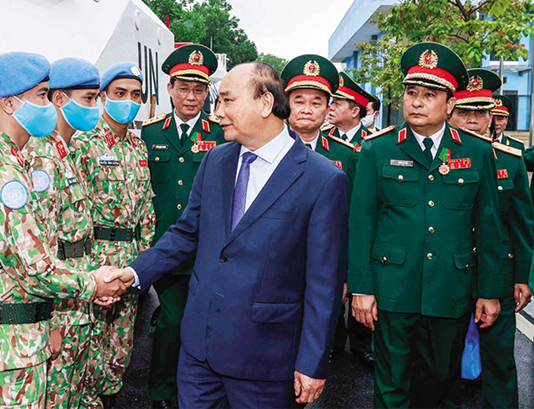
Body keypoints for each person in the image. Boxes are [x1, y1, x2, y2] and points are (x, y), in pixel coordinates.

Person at [110, 61, 349, 407]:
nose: (217, 112)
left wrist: (312, 362)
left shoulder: (322, 179)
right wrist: (134, 273)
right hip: (198, 354)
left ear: (265, 103)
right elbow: (186, 233)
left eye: (226, 100)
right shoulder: (216, 161)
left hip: (265, 362)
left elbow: (324, 283)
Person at [0, 52, 123, 408]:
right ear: (9, 103)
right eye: (42, 96)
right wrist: (92, 284)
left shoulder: (9, 159)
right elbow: (33, 268)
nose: (49, 104)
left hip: (19, 341)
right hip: (3, 347)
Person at [347, 43, 506, 408]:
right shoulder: (377, 150)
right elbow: (361, 223)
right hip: (392, 290)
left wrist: (490, 291)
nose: (417, 102)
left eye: (429, 95)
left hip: (449, 289)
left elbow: (488, 226)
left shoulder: (477, 152)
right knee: (391, 386)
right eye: (411, 93)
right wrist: (361, 289)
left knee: (443, 385)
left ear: (449, 105)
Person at [141, 44, 226, 409]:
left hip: (207, 248)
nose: (191, 97)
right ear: (170, 89)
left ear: (207, 93)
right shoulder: (149, 134)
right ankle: (162, 390)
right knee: (172, 320)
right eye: (184, 88)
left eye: (199, 90)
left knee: (200, 322)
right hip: (164, 245)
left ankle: (194, 389)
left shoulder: (220, 134)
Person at [447, 68, 534, 409]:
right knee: (441, 363)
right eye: (464, 112)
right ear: (450, 112)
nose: (472, 120)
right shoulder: (437, 161)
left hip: (498, 272)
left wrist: (522, 277)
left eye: (480, 112)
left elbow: (521, 224)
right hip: (450, 273)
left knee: (499, 362)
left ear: (491, 117)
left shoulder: (510, 161)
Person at [282, 57, 374, 368]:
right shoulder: (264, 150)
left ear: (327, 109)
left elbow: (354, 220)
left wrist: (348, 276)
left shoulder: (347, 155)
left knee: (321, 349)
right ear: (286, 104)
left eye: (317, 102)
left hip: (325, 268)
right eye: (299, 101)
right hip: (277, 266)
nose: (307, 109)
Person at [75, 62, 156, 409]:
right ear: (103, 97)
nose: (129, 101)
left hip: (130, 261)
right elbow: (73, 212)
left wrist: (144, 259)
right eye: (120, 93)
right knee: (91, 346)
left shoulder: (138, 147)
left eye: (135, 95)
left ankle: (109, 398)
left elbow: (146, 207)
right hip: (97, 261)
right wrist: (86, 269)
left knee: (120, 348)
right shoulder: (84, 143)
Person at [23, 58, 102, 409]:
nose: (95, 107)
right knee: (57, 396)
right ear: (59, 100)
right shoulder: (42, 156)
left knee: (75, 391)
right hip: (60, 305)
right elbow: (38, 249)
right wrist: (51, 322)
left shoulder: (69, 151)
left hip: (77, 296)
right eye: (89, 99)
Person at [327, 71, 379, 149]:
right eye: (332, 103)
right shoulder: (323, 136)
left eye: (337, 104)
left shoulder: (373, 142)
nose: (331, 108)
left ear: (355, 112)